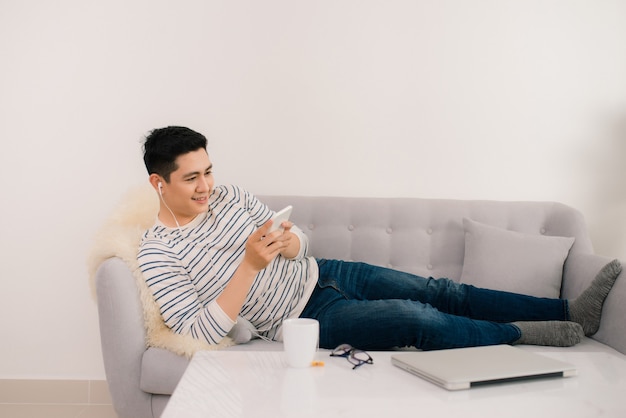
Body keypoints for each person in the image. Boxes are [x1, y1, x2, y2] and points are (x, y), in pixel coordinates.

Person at [137, 126, 621, 351]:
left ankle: (567, 311)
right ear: (160, 183)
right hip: (301, 320)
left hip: (324, 271)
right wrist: (248, 267)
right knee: (417, 318)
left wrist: (291, 244)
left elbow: (298, 237)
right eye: (192, 179)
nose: (207, 187)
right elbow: (198, 332)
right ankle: (519, 333)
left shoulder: (230, 196)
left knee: (440, 290)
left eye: (209, 171)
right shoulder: (158, 253)